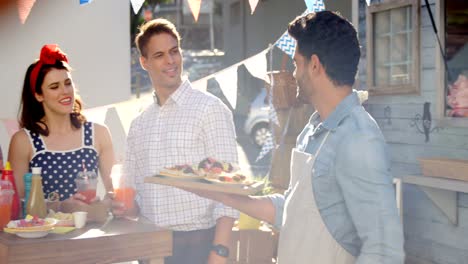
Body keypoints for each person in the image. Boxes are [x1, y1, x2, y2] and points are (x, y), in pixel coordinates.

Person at [187, 11, 405, 263]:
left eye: (296, 63)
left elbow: (383, 250)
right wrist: (226, 196)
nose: (294, 73)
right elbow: (291, 211)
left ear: (314, 65)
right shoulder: (313, 130)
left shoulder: (359, 139)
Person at [116, 19, 239, 264]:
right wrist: (123, 206)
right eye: (160, 55)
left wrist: (220, 252)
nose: (171, 61)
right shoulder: (139, 125)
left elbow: (229, 190)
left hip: (199, 247)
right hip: (149, 249)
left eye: (174, 51)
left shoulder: (209, 109)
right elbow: (135, 199)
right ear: (144, 62)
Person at [8, 44, 115, 220]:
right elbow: (18, 205)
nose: (65, 92)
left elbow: (114, 193)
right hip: (45, 242)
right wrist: (61, 206)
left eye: (67, 83)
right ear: (38, 95)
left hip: (91, 236)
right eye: (54, 86)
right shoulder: (23, 141)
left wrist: (102, 206)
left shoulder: (99, 134)